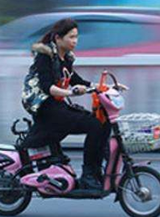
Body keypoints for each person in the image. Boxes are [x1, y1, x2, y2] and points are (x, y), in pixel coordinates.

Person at [21, 18, 127, 190]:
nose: (75, 41)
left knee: (102, 123)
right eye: (71, 37)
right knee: (93, 125)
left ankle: (94, 171)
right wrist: (70, 92)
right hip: (44, 107)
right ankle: (87, 175)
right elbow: (48, 87)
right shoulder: (45, 57)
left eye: (76, 37)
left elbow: (79, 81)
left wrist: (108, 87)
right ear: (58, 38)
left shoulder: (66, 59)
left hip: (57, 106)